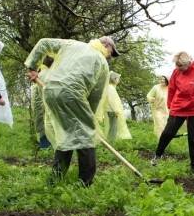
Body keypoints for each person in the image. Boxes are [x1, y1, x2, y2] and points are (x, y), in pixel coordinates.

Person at [25, 36, 118, 187]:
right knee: (86, 135)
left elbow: (43, 43)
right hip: (72, 94)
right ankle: (85, 183)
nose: (109, 56)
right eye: (111, 52)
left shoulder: (72, 44)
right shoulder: (101, 62)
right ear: (106, 45)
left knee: (65, 134)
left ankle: (55, 179)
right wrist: (90, 119)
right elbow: (96, 96)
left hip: (50, 90)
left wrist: (32, 68)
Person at [153, 51, 194, 174]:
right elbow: (171, 89)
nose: (178, 68)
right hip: (178, 108)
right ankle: (157, 156)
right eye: (176, 65)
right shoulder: (176, 72)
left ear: (188, 63)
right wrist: (170, 105)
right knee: (167, 133)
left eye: (180, 66)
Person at [99, 71, 131, 142]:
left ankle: (110, 140)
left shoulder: (110, 87)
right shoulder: (110, 88)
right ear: (114, 79)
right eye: (118, 79)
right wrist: (116, 110)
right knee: (113, 127)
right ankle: (111, 141)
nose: (119, 80)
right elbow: (111, 101)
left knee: (112, 126)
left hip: (110, 110)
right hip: (112, 110)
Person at [31, 56, 53, 149]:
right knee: (43, 122)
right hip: (41, 105)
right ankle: (45, 145)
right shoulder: (44, 74)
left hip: (41, 106)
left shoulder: (41, 73)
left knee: (42, 122)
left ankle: (46, 144)